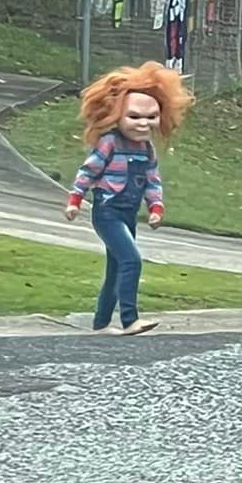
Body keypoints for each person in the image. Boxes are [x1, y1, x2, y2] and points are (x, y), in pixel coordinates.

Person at [63, 63, 194, 336]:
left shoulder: (147, 149)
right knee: (131, 260)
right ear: (117, 115)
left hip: (129, 213)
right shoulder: (109, 142)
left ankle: (100, 324)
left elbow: (152, 180)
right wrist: (75, 199)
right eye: (134, 116)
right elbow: (89, 170)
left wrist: (156, 206)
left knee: (115, 269)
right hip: (107, 212)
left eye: (151, 117)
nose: (144, 123)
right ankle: (129, 319)